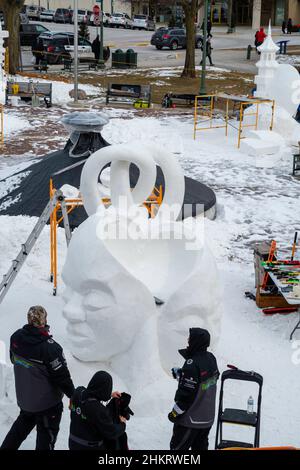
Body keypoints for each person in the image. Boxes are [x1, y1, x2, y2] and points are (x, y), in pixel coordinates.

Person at [1, 306, 74, 450]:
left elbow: (13, 359)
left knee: (18, 431)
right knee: (45, 441)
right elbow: (62, 377)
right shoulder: (50, 348)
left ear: (29, 320)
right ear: (44, 320)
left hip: (26, 401)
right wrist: (74, 395)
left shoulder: (16, 338)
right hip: (48, 405)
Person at [168, 328, 219, 451]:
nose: (188, 340)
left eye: (190, 339)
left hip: (190, 421)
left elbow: (186, 396)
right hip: (207, 420)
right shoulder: (211, 358)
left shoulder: (192, 364)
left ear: (196, 342)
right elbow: (206, 382)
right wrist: (183, 374)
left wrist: (173, 414)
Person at [68, 371, 127, 450]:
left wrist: (109, 395)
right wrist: (122, 424)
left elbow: (89, 395)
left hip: (73, 443)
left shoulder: (78, 391)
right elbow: (111, 432)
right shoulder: (99, 410)